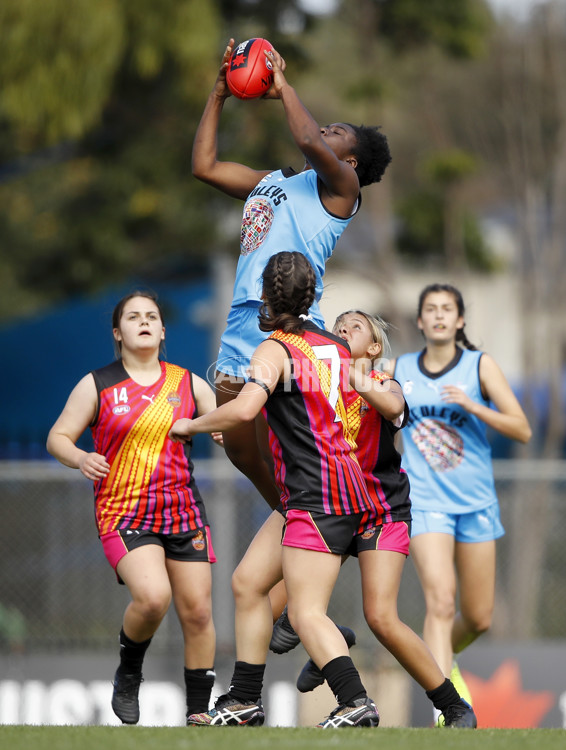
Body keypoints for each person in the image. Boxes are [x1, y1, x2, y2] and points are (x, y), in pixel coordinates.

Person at [169, 251, 379, 729]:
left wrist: (194, 424)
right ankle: (245, 700)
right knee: (248, 584)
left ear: (264, 295)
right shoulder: (333, 345)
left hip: (318, 492)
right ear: (313, 295)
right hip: (334, 484)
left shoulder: (273, 349)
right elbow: (308, 407)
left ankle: (356, 702)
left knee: (305, 613)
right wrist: (239, 421)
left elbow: (245, 408)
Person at [191, 37, 392, 512]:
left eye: (338, 131)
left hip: (292, 325)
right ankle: (292, 517)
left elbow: (306, 139)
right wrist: (219, 93)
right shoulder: (273, 181)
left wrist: (281, 84)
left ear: (351, 161)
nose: (325, 129)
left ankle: (325, 514)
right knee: (242, 451)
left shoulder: (342, 190)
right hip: (243, 320)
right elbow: (204, 166)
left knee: (294, 445)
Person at [281, 310, 477, 729]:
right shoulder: (315, 382)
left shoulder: (383, 380)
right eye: (336, 327)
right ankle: (332, 640)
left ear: (372, 348)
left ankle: (454, 706)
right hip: (330, 504)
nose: (341, 331)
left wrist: (347, 371)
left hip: (380, 510)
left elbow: (392, 406)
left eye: (353, 327)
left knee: (382, 617)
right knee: (277, 606)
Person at [46, 291, 219, 727]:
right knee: (153, 596)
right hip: (124, 513)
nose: (144, 322)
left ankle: (199, 714)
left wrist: (222, 431)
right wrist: (80, 457)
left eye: (152, 317)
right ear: (117, 333)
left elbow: (223, 423)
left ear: (163, 331)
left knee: (198, 612)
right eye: (133, 317)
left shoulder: (189, 383)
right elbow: (58, 438)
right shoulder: (98, 384)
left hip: (183, 512)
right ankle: (129, 672)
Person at [390, 283, 532, 722]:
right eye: (430, 309)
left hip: (475, 502)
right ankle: (445, 705)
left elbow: (521, 428)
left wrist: (475, 406)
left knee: (478, 616)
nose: (437, 316)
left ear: (460, 320)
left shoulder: (478, 366)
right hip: (425, 501)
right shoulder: (401, 368)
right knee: (441, 602)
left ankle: (441, 657)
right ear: (419, 321)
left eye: (446, 309)